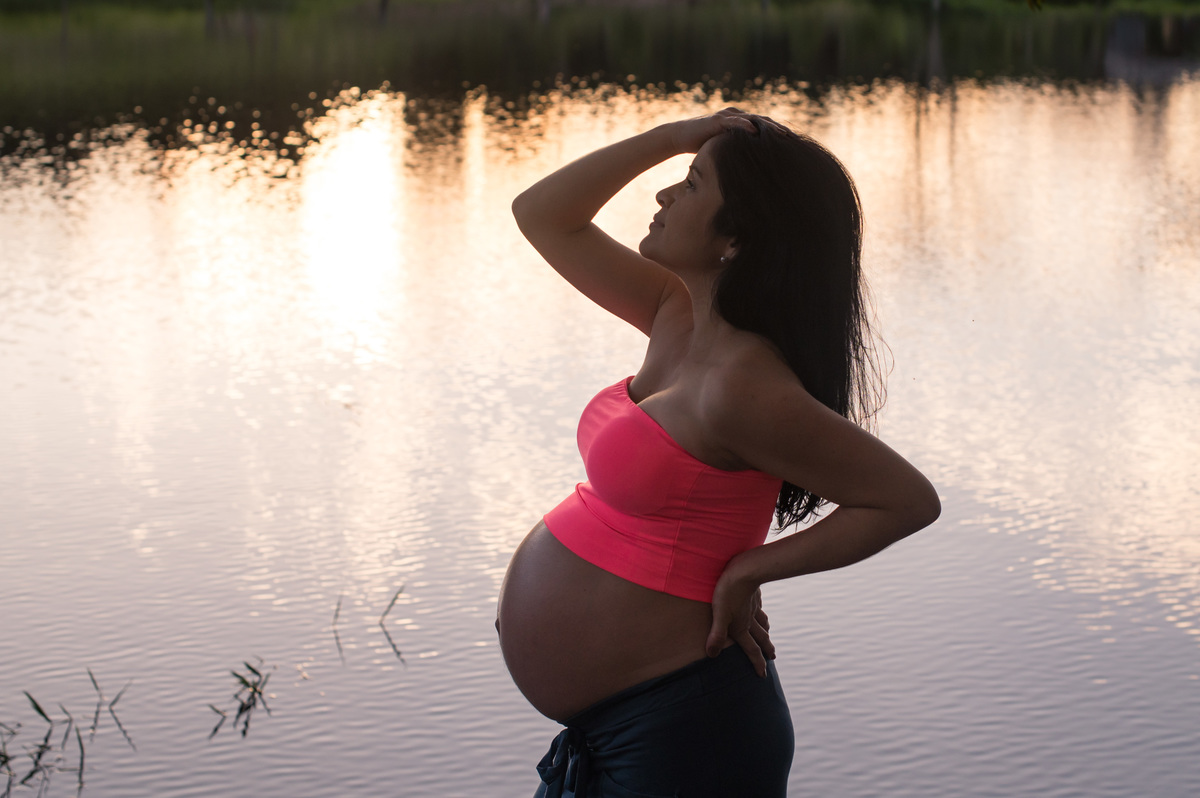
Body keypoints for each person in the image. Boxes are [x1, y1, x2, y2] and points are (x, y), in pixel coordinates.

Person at [497, 108, 940, 798]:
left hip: (685, 733)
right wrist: (676, 136)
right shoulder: (674, 312)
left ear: (735, 238)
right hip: (635, 728)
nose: (664, 193)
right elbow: (543, 214)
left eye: (692, 185)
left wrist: (750, 569)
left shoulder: (746, 384)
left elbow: (906, 501)